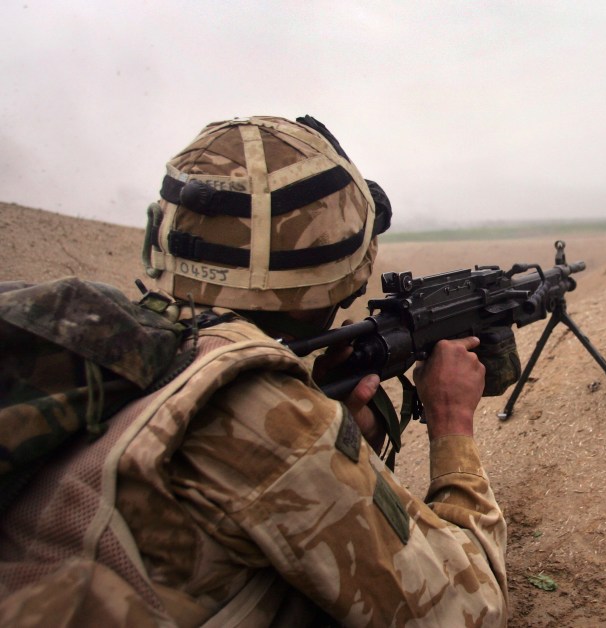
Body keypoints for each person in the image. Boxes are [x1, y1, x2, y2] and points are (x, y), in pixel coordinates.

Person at [0, 116, 507, 626]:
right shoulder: (255, 406)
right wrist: (451, 422)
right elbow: (469, 611)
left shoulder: (102, 339)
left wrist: (343, 437)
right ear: (334, 277)